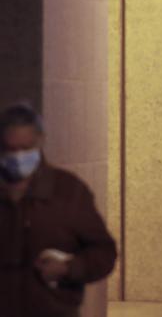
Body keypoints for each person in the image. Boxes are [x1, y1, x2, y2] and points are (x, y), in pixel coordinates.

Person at [0, 103, 117, 317]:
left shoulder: (68, 191)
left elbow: (104, 253)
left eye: (26, 148)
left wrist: (69, 268)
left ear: (40, 142)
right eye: (11, 149)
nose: (18, 157)